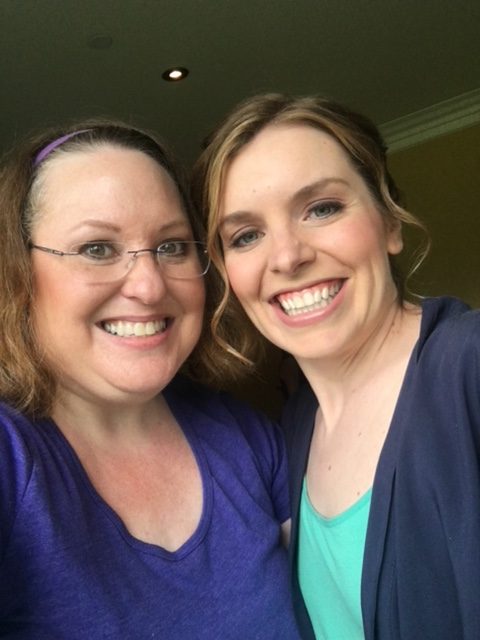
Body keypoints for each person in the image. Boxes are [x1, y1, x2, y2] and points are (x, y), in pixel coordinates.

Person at [193, 93, 480, 639]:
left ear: (389, 222)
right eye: (246, 236)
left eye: (321, 208)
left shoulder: (469, 368)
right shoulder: (292, 431)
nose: (287, 256)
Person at [0, 121, 302, 639]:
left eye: (172, 246)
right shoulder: (11, 458)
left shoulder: (244, 435)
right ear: (18, 275)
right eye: (97, 248)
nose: (148, 286)